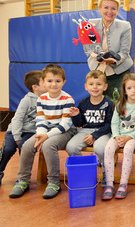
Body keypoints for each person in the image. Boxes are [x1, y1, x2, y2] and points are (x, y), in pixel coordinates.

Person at [9, 64, 76, 199]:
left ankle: (53, 182)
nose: (54, 84)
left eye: (58, 81)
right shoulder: (41, 99)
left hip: (64, 131)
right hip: (46, 131)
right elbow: (41, 120)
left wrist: (46, 136)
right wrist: (40, 134)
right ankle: (23, 180)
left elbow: (65, 124)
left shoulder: (68, 99)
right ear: (43, 82)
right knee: (27, 145)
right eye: (49, 81)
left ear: (64, 82)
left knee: (48, 145)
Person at [102, 74, 135, 200]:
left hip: (134, 137)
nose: (134, 90)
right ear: (125, 91)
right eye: (130, 88)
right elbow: (114, 123)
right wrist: (116, 136)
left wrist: (129, 137)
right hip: (118, 136)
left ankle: (123, 184)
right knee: (108, 149)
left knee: (128, 150)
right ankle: (109, 185)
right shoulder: (120, 105)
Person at [66, 70, 113, 186]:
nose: (95, 87)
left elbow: (109, 125)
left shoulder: (109, 103)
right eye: (91, 84)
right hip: (85, 131)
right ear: (86, 87)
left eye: (99, 84)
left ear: (105, 87)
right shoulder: (83, 103)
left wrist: (95, 135)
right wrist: (75, 115)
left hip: (103, 132)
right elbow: (79, 124)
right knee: (71, 147)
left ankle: (106, 173)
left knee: (100, 148)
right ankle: (83, 173)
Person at [84, 0, 133, 102]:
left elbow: (124, 52)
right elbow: (88, 48)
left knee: (119, 103)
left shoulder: (125, 26)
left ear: (117, 10)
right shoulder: (91, 24)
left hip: (119, 72)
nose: (109, 11)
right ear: (100, 9)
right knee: (99, 103)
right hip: (97, 71)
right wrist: (95, 56)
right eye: (106, 7)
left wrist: (114, 61)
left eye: (113, 8)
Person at [0, 71, 46, 185]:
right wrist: (16, 137)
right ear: (35, 87)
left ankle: (22, 177)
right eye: (44, 81)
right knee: (7, 150)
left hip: (31, 133)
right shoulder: (27, 100)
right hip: (14, 131)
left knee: (24, 148)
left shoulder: (47, 100)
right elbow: (17, 119)